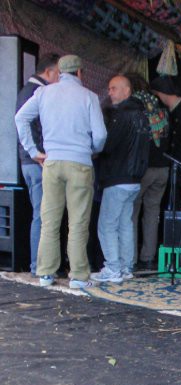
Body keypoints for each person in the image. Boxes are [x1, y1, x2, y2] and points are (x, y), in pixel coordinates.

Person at [15, 54, 107, 290]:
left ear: (59, 72)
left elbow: (20, 118)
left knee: (49, 220)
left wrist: (34, 151)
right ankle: (77, 276)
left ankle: (45, 273)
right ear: (79, 73)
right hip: (80, 164)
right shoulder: (89, 97)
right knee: (77, 222)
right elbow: (100, 135)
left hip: (52, 162)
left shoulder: (44, 93)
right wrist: (92, 150)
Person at [90, 75, 149, 284]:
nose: (110, 93)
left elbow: (107, 145)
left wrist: (93, 149)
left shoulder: (122, 115)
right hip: (134, 179)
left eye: (114, 88)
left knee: (107, 224)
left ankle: (112, 268)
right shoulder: (142, 114)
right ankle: (125, 267)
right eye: (109, 88)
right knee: (125, 224)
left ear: (127, 90)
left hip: (117, 177)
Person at [15, 53, 60, 276]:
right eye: (59, 74)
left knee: (41, 213)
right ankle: (38, 266)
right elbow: (27, 124)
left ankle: (39, 265)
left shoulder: (27, 90)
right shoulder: (37, 92)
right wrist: (37, 153)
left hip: (29, 161)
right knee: (43, 214)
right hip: (36, 162)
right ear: (49, 72)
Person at [129, 75, 170, 271]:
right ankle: (148, 257)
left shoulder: (135, 104)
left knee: (132, 213)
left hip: (142, 168)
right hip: (163, 167)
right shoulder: (160, 105)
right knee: (152, 213)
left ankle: (132, 258)